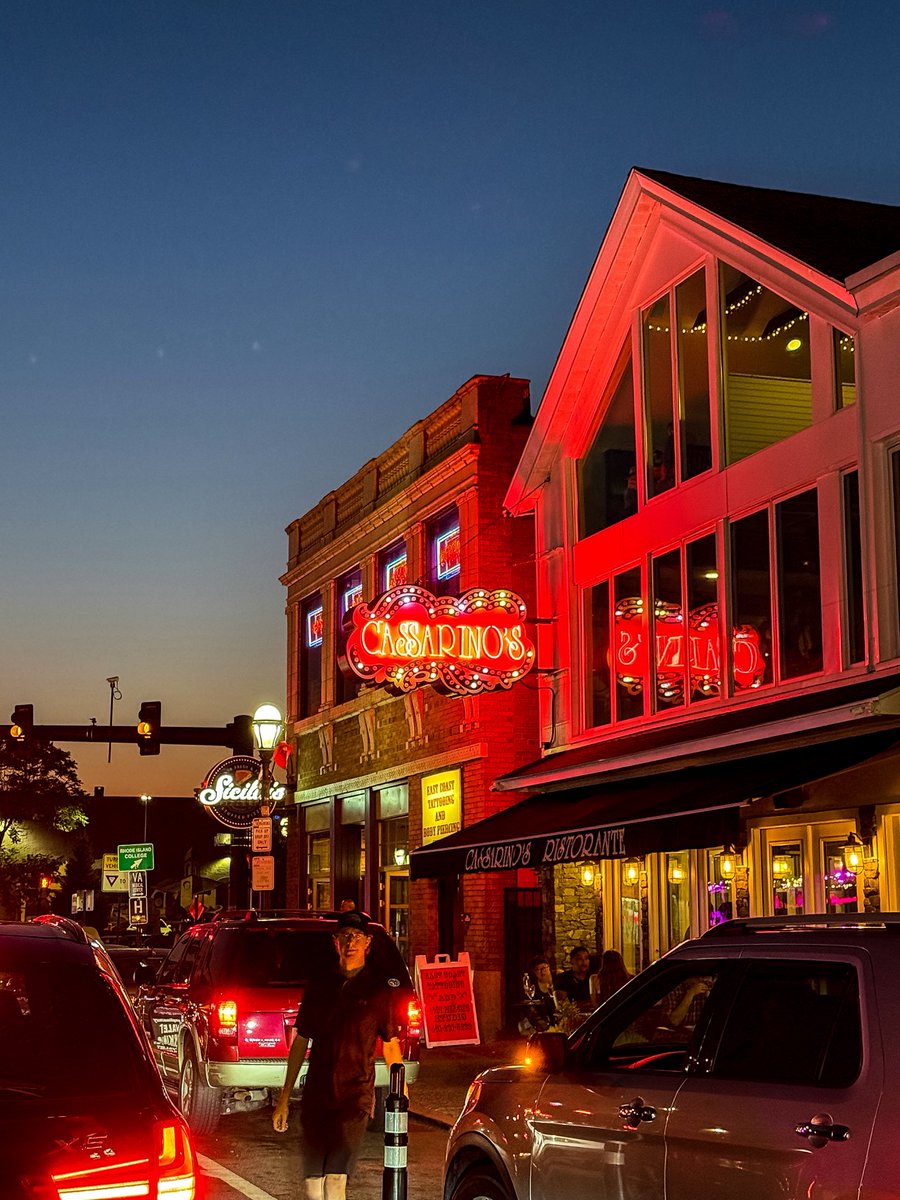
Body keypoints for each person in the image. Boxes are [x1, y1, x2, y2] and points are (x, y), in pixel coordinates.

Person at [272, 910, 405, 1200]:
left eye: (357, 936)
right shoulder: (320, 985)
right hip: (317, 1095)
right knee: (313, 1185)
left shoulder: (379, 989)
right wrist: (284, 1098)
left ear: (367, 943)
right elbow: (301, 1041)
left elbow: (390, 1044)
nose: (350, 942)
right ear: (335, 942)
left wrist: (402, 1091)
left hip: (354, 1097)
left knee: (334, 1180)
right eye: (344, 936)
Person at [519, 955, 559, 1034]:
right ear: (534, 972)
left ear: (548, 967)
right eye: (537, 969)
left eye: (544, 968)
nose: (542, 971)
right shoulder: (533, 987)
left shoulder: (558, 979)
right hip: (545, 1020)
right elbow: (530, 1007)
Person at [554, 945, 593, 1010]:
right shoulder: (563, 978)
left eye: (586, 958)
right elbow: (562, 1006)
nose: (584, 961)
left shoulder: (593, 977)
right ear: (571, 960)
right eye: (579, 959)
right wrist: (588, 1003)